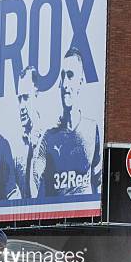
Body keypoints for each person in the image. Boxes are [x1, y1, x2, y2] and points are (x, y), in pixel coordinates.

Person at [30, 47, 103, 198]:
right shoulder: (49, 136)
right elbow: (35, 183)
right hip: (58, 216)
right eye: (62, 77)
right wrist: (33, 151)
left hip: (88, 216)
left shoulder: (92, 128)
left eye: (70, 76)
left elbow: (98, 179)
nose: (65, 85)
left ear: (80, 82)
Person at [14, 67, 43, 199]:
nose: (21, 106)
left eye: (25, 97)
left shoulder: (49, 139)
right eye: (19, 99)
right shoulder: (18, 150)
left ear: (37, 94)